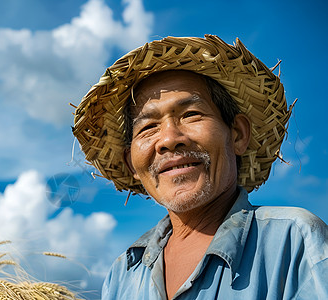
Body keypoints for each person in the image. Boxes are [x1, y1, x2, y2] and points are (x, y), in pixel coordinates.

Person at [72, 35, 328, 299]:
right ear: (131, 164)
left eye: (191, 114)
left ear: (238, 134)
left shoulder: (294, 241)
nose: (169, 140)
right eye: (148, 127)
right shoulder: (123, 276)